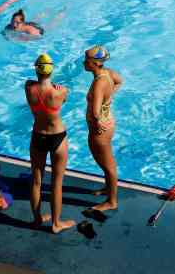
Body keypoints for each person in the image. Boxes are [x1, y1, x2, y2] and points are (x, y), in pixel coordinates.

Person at [25, 53, 76, 233]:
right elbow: (65, 99)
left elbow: (33, 83)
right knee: (57, 183)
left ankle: (37, 218)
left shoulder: (29, 88)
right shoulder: (60, 91)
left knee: (36, 181)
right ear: (52, 70)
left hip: (38, 135)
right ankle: (56, 224)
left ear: (36, 69)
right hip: (57, 137)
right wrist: (56, 87)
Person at [83, 45, 123, 212]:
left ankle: (111, 201)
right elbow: (119, 81)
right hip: (109, 122)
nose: (84, 63)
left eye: (86, 60)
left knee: (108, 165)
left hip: (100, 130)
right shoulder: (108, 73)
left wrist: (98, 120)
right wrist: (110, 97)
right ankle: (108, 188)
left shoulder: (99, 82)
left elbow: (95, 110)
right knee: (107, 163)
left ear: (95, 63)